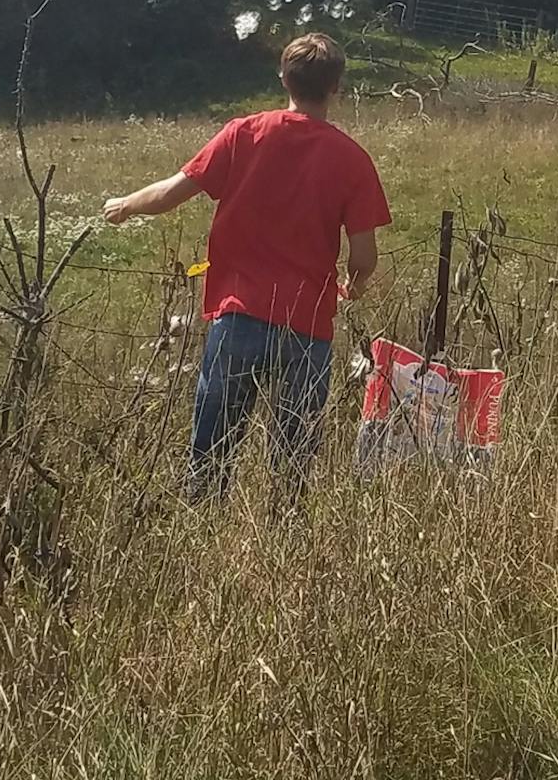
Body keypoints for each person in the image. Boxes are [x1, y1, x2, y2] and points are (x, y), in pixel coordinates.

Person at [103, 33, 391, 500]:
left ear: (283, 79)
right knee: (293, 462)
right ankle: (281, 536)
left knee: (212, 452)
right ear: (336, 86)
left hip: (239, 314)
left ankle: (200, 528)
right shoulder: (353, 160)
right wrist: (352, 288)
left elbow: (172, 191)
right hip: (307, 323)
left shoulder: (244, 133)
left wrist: (126, 204)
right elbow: (364, 258)